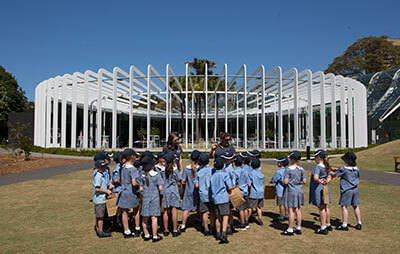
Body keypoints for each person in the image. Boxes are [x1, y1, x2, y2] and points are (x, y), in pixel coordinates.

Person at [331, 152, 362, 231]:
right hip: (355, 189)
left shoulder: (344, 169)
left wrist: (329, 171)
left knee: (344, 206)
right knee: (355, 206)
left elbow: (334, 175)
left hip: (346, 190)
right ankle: (359, 223)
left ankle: (344, 224)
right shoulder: (357, 169)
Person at [116, 148, 141, 238]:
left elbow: (119, 180)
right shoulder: (133, 169)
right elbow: (134, 183)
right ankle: (137, 228)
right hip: (131, 192)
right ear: (132, 157)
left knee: (124, 212)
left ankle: (126, 231)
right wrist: (140, 185)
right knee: (136, 210)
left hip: (123, 192)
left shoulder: (122, 167)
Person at [281, 151, 306, 236]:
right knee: (298, 209)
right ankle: (298, 227)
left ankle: (290, 229)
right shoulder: (301, 169)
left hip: (291, 191)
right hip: (299, 190)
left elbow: (285, 181)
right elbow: (304, 181)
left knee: (291, 210)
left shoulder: (288, 169)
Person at [139, 158, 164, 242]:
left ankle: (146, 234)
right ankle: (154, 235)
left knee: (145, 217)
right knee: (154, 218)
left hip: (146, 198)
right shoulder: (157, 175)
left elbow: (141, 188)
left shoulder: (143, 176)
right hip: (155, 198)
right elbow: (160, 188)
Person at [309, 149, 332, 235]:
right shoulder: (326, 166)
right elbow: (329, 177)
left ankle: (323, 227)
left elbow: (315, 178)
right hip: (325, 188)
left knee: (321, 208)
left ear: (318, 158)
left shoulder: (318, 167)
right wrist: (326, 181)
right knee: (326, 206)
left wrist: (319, 181)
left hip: (318, 188)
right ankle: (328, 223)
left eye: (315, 157)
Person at [211, 157, 233, 244]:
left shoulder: (213, 176)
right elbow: (230, 186)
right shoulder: (225, 175)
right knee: (225, 216)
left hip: (215, 199)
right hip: (223, 198)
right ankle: (224, 233)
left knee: (218, 217)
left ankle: (218, 233)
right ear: (223, 165)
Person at [161, 152, 182, 237]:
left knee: (165, 211)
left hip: (165, 191)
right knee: (174, 210)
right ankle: (174, 229)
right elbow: (179, 180)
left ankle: (166, 230)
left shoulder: (162, 170)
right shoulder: (174, 169)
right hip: (173, 190)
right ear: (174, 160)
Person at [194, 153, 215, 236]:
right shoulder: (212, 170)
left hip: (203, 194)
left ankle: (206, 228)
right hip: (211, 194)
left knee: (204, 212)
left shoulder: (199, 171)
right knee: (212, 212)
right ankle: (212, 227)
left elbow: (196, 185)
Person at [180, 150, 201, 232]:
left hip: (188, 191)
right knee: (199, 207)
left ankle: (183, 225)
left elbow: (183, 180)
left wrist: (182, 190)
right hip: (198, 190)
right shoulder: (200, 168)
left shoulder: (186, 169)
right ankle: (200, 220)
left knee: (186, 209)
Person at [93, 159, 112, 238]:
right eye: (102, 167)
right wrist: (106, 191)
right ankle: (100, 231)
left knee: (99, 215)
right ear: (97, 168)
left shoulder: (101, 175)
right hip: (99, 199)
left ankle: (98, 229)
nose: (104, 168)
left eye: (104, 166)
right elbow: (97, 188)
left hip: (100, 198)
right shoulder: (98, 176)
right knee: (100, 216)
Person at [233, 154, 250, 230]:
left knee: (240, 209)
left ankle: (242, 224)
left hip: (239, 192)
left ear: (235, 163)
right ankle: (246, 221)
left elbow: (233, 183)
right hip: (246, 191)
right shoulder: (245, 171)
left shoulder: (235, 172)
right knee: (245, 208)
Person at [270, 156, 289, 221]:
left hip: (280, 190)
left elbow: (274, 179)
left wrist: (271, 181)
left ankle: (281, 215)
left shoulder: (279, 172)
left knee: (281, 204)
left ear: (281, 163)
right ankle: (286, 214)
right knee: (286, 203)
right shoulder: (288, 170)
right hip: (287, 190)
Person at [248, 157, 265, 226]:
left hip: (253, 193)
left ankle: (246, 219)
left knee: (250, 207)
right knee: (259, 207)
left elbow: (249, 184)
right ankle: (260, 219)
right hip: (261, 193)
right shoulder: (262, 174)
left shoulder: (251, 173)